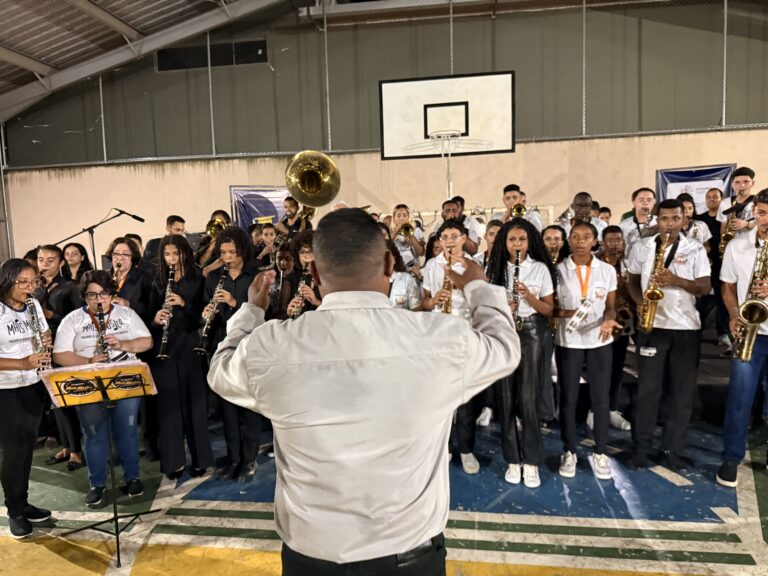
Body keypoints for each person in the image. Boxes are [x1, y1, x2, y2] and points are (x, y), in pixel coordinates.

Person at [208, 208, 520, 575]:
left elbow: (221, 369)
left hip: (311, 558)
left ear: (314, 272)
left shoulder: (273, 344)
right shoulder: (440, 338)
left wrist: (251, 311)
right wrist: (479, 286)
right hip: (408, 558)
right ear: (390, 263)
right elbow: (504, 347)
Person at [53, 270, 153, 508]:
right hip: (87, 382)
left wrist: (123, 344)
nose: (99, 300)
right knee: (94, 434)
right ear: (84, 297)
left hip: (123, 378)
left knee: (127, 431)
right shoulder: (73, 320)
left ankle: (133, 478)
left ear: (111, 294)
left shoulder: (126, 314)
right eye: (92, 295)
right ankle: (96, 484)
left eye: (104, 294)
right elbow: (59, 354)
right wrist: (88, 362)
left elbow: (147, 342)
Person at [626, 199, 710, 470]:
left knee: (681, 393)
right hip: (653, 327)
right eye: (664, 219)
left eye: (676, 219)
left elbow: (705, 288)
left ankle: (671, 449)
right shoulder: (642, 247)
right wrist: (639, 303)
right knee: (648, 391)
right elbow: (631, 280)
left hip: (686, 329)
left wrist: (676, 281)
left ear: (683, 220)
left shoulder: (694, 248)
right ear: (656, 220)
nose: (670, 224)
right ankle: (641, 448)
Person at [487, 219, 555, 487]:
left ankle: (532, 461)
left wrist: (527, 298)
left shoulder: (539, 269)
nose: (517, 245)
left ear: (530, 242)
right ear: (505, 243)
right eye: (512, 240)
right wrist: (505, 304)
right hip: (504, 330)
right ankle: (513, 459)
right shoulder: (496, 270)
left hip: (531, 332)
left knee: (528, 397)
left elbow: (549, 309)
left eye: (522, 240)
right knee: (505, 397)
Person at [555, 222, 621, 480]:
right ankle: (569, 450)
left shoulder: (607, 270)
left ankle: (601, 452)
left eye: (586, 237)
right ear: (568, 240)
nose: (581, 241)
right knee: (569, 398)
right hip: (568, 341)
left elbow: (612, 306)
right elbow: (552, 309)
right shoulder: (558, 271)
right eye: (575, 236)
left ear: (595, 241)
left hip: (599, 341)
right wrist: (570, 314)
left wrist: (609, 319)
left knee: (601, 399)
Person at [149, 235, 213, 480]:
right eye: (168, 255)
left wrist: (184, 304)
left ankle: (201, 459)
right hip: (164, 350)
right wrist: (157, 319)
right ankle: (174, 462)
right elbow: (149, 317)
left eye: (176, 254)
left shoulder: (198, 280)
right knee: (169, 408)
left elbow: (203, 317)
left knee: (195, 405)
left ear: (185, 253)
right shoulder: (158, 282)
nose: (172, 259)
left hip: (189, 346)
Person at [716, 189, 768, 487]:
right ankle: (731, 458)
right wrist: (734, 315)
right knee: (739, 398)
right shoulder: (738, 245)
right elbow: (727, 286)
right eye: (760, 213)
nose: (763, 220)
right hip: (752, 332)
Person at [202, 226, 261, 482]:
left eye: (232, 253)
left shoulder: (254, 277)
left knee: (248, 409)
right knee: (227, 409)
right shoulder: (214, 278)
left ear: (242, 251)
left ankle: (249, 459)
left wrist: (235, 304)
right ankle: (234, 457)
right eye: (223, 253)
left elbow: (261, 313)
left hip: (248, 347)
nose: (227, 258)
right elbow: (206, 310)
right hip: (222, 343)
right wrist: (207, 313)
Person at [0, 259, 53, 538]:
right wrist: (21, 363)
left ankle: (23, 501)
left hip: (33, 384)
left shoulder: (32, 306)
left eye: (33, 282)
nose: (30, 288)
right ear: (7, 280)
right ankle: (14, 510)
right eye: (23, 282)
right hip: (5, 390)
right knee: (13, 451)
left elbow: (43, 333)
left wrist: (46, 339)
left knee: (27, 448)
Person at [36, 245, 84, 472]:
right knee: (55, 402)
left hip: (62, 349)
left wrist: (50, 315)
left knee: (67, 401)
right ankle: (66, 446)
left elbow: (79, 319)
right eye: (41, 259)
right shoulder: (34, 287)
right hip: (41, 350)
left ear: (61, 263)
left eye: (51, 260)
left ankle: (76, 451)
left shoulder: (70, 287)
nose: (44, 264)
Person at [594, 226, 632, 431]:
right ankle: (595, 409)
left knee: (618, 367)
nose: (615, 243)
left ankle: (612, 408)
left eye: (619, 239)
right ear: (603, 242)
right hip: (601, 321)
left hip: (623, 323)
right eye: (611, 240)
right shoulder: (596, 263)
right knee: (600, 369)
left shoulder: (627, 263)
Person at [696, 187, 730, 346]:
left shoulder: (725, 219)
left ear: (721, 200)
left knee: (722, 298)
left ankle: (722, 333)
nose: (712, 200)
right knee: (703, 298)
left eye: (715, 197)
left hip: (723, 263)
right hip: (705, 265)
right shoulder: (700, 220)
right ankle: (697, 327)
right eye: (709, 197)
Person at [718, 167, 757, 245]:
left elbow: (765, 227)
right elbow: (723, 227)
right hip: (732, 245)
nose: (742, 185)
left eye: (746, 181)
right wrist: (724, 241)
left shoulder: (760, 202)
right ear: (732, 184)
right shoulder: (724, 203)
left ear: (752, 183)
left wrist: (746, 224)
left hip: (752, 245)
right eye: (737, 182)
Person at [386, 240, 423, 311]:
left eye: (387, 255)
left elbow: (417, 309)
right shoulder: (370, 282)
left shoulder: (406, 279)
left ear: (394, 258)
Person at [618, 188, 657, 253]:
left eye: (649, 200)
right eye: (641, 200)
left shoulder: (660, 223)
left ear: (654, 202)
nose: (645, 203)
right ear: (634, 202)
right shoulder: (623, 225)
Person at [390, 204, 425, 269]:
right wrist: (396, 231)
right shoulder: (389, 232)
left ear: (409, 217)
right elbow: (385, 247)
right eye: (398, 215)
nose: (401, 218)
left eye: (404, 215)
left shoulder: (417, 231)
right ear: (394, 218)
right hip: (396, 269)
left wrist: (411, 234)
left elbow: (421, 253)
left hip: (413, 269)